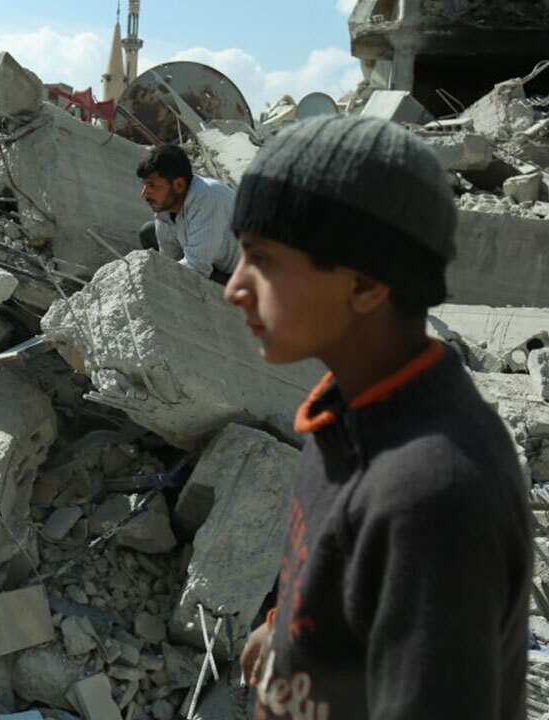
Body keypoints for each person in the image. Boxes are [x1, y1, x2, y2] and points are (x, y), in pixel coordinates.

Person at [227, 116, 531, 719]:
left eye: (262, 259)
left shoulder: (432, 499)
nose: (233, 287)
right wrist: (280, 633)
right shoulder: (345, 412)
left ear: (366, 285)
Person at [136, 144, 241, 282]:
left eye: (152, 185)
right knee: (148, 233)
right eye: (144, 185)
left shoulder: (207, 198)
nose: (144, 194)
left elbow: (196, 268)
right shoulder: (166, 207)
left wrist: (156, 278)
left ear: (179, 185)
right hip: (210, 257)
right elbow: (169, 257)